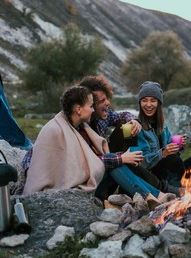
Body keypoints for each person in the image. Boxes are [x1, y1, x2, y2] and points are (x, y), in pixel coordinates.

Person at [23, 86, 172, 209]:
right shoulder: (56, 129)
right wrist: (121, 158)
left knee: (118, 163)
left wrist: (133, 124)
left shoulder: (80, 126)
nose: (93, 110)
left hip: (88, 179)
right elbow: (76, 163)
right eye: (90, 105)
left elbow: (91, 161)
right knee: (117, 165)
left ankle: (155, 196)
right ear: (78, 109)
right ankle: (153, 196)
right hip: (70, 186)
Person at [136, 81, 191, 191]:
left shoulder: (163, 126)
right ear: (140, 103)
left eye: (153, 100)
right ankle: (176, 190)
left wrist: (178, 146)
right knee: (173, 159)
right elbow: (142, 164)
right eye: (144, 100)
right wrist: (163, 153)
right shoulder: (137, 127)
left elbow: (171, 150)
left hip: (170, 172)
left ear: (159, 103)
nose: (148, 104)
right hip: (153, 175)